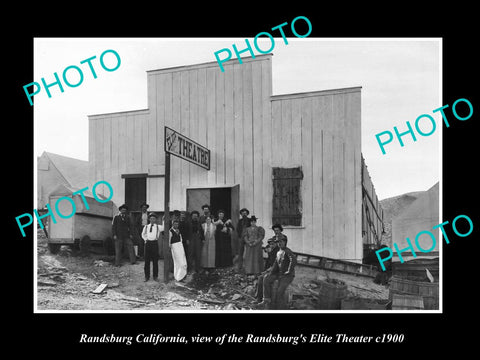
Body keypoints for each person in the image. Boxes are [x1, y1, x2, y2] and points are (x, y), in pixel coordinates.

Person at [259, 236, 296, 310]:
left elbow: (294, 261)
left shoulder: (288, 251)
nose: (279, 243)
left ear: (285, 242)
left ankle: (280, 309)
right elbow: (275, 264)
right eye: (278, 242)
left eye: (281, 242)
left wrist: (288, 271)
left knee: (279, 292)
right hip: (279, 274)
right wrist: (270, 273)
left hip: (287, 276)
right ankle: (266, 299)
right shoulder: (279, 252)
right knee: (266, 278)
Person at [255, 224, 284, 302]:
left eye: (273, 244)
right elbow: (269, 262)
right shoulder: (272, 250)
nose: (271, 245)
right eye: (270, 244)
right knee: (260, 278)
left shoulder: (279, 251)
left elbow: (276, 265)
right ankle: (259, 298)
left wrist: (266, 272)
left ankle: (266, 299)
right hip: (271, 270)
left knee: (264, 278)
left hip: (277, 272)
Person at [141, 213, 162, 281]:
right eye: (151, 218)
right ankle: (147, 276)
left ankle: (155, 276)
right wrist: (145, 239)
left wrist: (164, 220)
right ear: (149, 219)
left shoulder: (158, 227)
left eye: (154, 218)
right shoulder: (146, 226)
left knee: (155, 261)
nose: (152, 220)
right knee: (147, 261)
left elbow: (165, 227)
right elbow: (143, 234)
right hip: (148, 244)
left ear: (155, 220)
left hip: (154, 244)